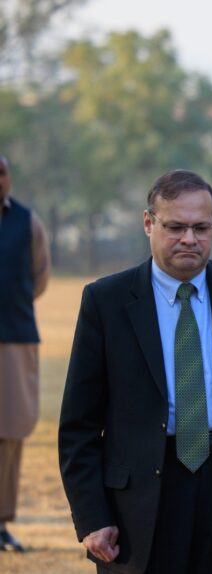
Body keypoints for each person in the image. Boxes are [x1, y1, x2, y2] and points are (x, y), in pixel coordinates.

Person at [58, 170, 212, 574]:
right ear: (149, 223)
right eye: (175, 226)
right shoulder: (106, 301)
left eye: (201, 227)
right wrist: (92, 516)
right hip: (135, 501)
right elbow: (79, 424)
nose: (189, 239)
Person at [0, 153, 51, 552]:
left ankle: (1, 522)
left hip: (13, 338)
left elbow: (38, 277)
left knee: (11, 431)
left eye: (1, 172)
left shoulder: (26, 221)